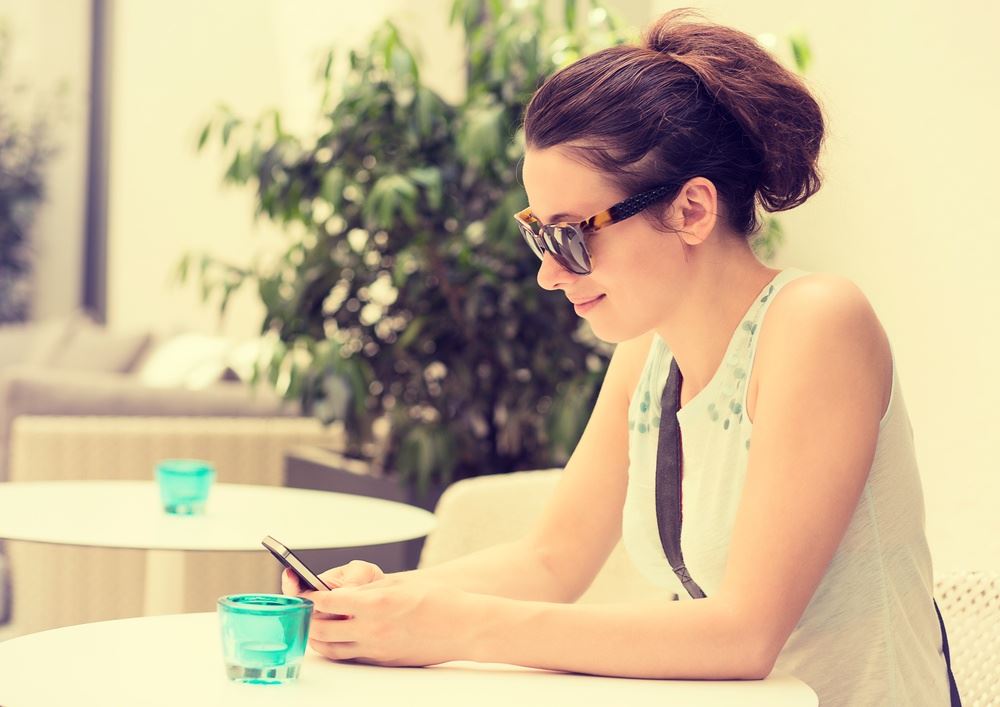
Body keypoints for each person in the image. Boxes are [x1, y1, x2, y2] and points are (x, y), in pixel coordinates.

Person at [282, 8, 955, 705]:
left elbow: (742, 634)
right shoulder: (648, 353)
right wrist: (381, 599)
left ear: (693, 209)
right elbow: (550, 560)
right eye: (540, 236)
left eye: (573, 236)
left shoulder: (818, 324)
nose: (549, 273)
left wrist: (462, 627)